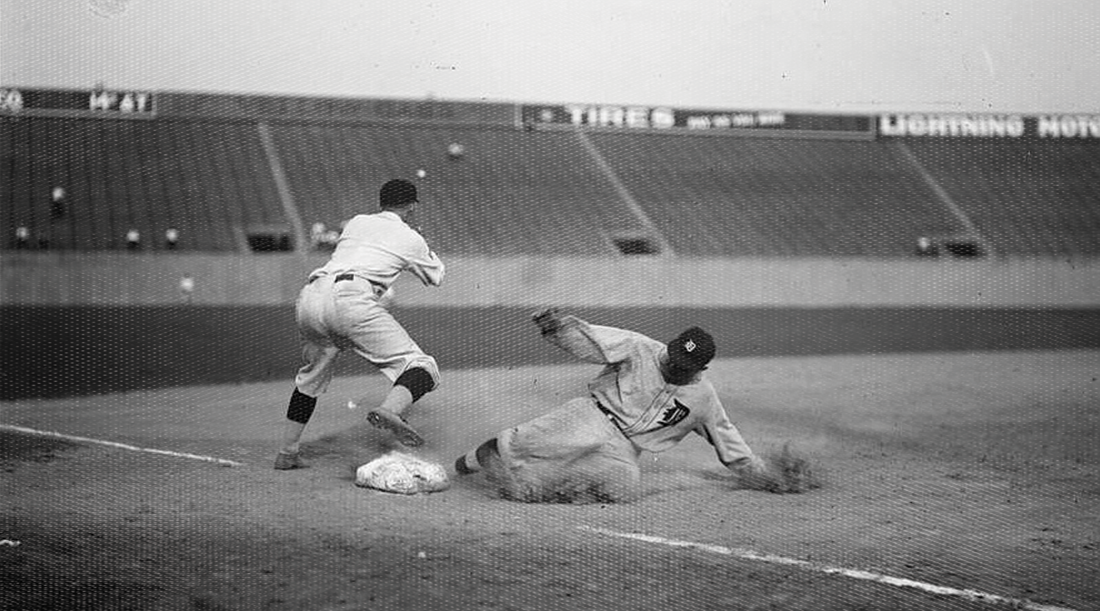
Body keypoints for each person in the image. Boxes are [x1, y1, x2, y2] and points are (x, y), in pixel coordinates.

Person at [453, 308, 777, 503]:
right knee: (532, 443)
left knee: (623, 486)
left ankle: (536, 487)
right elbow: (594, 340)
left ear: (700, 369)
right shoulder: (641, 348)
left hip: (624, 450)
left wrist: (763, 476)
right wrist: (559, 328)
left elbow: (728, 439)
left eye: (684, 365)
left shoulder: (703, 398)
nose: (674, 365)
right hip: (593, 416)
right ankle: (463, 466)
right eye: (674, 357)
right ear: (672, 346)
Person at [275, 178, 445, 470]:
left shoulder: (356, 222)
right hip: (352, 299)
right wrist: (421, 242)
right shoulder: (410, 236)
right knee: (422, 366)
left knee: (310, 378)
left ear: (381, 202)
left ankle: (287, 453)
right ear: (413, 206)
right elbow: (435, 277)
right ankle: (391, 410)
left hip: (311, 297)